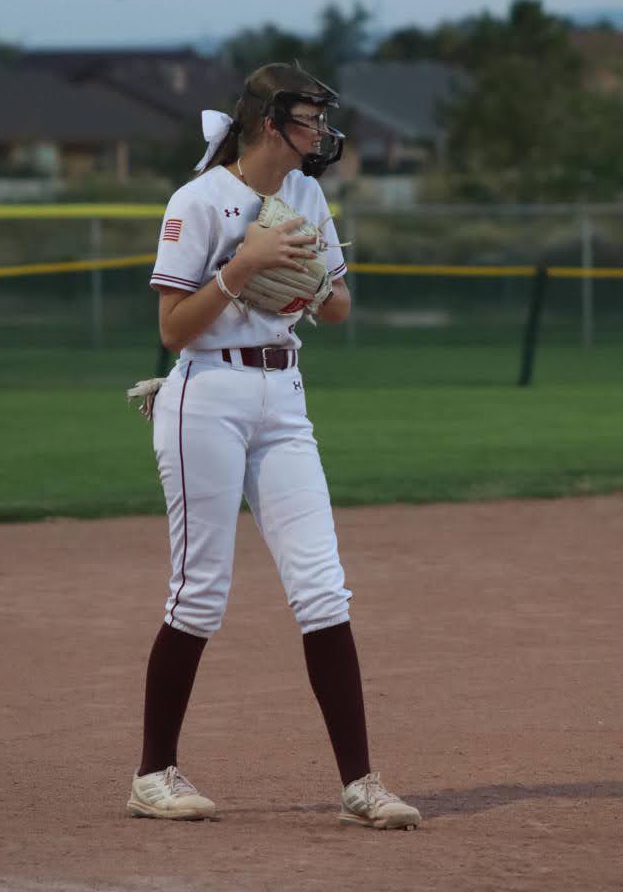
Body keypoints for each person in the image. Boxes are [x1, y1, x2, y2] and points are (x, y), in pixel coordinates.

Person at [127, 62, 421, 830]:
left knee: (323, 587)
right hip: (206, 398)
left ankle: (361, 783)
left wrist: (312, 285)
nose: (321, 131)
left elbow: (340, 310)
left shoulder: (306, 195)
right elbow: (171, 330)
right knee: (199, 593)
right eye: (310, 118)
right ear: (269, 124)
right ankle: (153, 773)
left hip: (284, 397)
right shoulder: (197, 200)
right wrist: (239, 271)